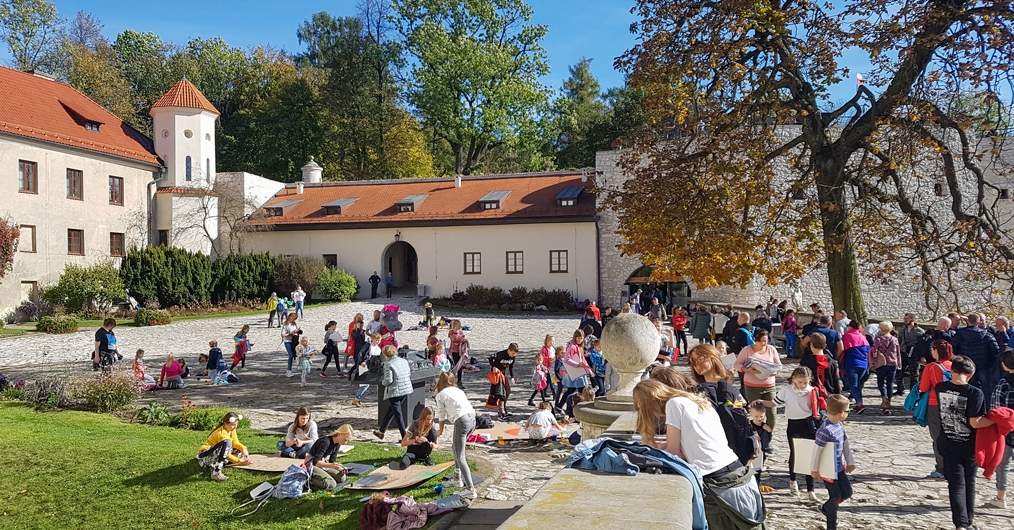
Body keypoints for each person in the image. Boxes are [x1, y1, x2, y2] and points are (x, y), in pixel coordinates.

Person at [633, 379, 766, 529]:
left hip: (714, 481)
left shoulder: (674, 405)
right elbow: (698, 442)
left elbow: (674, 454)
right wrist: (656, 445)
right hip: (735, 469)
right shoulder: (696, 400)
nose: (655, 416)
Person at [936, 355, 994, 530]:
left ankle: (963, 523)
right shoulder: (975, 393)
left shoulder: (940, 387)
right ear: (971, 374)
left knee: (956, 484)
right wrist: (995, 421)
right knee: (969, 482)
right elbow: (975, 422)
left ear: (951, 370)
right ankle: (966, 522)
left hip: (947, 442)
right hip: (969, 444)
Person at [762, 366, 819, 501]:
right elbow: (774, 403)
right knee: (795, 454)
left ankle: (811, 490)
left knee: (808, 456)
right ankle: (793, 482)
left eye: (805, 382)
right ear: (794, 379)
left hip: (807, 424)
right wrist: (760, 402)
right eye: (800, 382)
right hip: (793, 425)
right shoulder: (787, 390)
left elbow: (817, 407)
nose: (802, 385)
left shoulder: (811, 391)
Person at [811, 395, 856, 530]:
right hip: (828, 469)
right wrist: (814, 469)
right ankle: (831, 524)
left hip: (839, 468)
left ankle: (826, 508)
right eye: (848, 411)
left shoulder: (839, 425)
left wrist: (850, 461)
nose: (848, 413)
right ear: (841, 413)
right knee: (836, 496)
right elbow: (816, 450)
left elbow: (845, 443)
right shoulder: (826, 430)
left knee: (846, 493)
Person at [434, 372, 478, 500]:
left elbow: (441, 415)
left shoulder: (440, 395)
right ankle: (457, 478)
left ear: (440, 382)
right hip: (472, 420)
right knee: (456, 447)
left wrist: (440, 431)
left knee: (460, 455)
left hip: (462, 421)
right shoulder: (459, 391)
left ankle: (470, 489)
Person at [735, 328, 782, 430]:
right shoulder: (747, 350)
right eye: (761, 341)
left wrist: (774, 372)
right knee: (756, 414)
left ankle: (767, 438)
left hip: (769, 386)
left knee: (772, 415)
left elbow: (778, 365)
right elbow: (737, 364)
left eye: (766, 341)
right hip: (752, 387)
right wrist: (746, 370)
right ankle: (757, 435)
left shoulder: (771, 349)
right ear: (755, 340)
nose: (764, 343)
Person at [987, 350, 1014, 509]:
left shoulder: (1004, 383)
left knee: (1004, 464)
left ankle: (1001, 497)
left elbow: (996, 409)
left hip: (1007, 429)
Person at [953, 312, 1001, 399]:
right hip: (984, 365)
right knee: (986, 389)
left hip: (965, 365)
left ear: (968, 321)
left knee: (967, 388)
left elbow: (953, 349)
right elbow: (995, 350)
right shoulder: (987, 335)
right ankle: (986, 409)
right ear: (978, 322)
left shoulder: (959, 334)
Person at [196, 412, 250, 482]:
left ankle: (218, 463)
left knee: (238, 451)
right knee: (226, 443)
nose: (235, 427)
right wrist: (240, 462)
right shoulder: (221, 434)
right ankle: (216, 473)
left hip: (219, 452)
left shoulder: (231, 430)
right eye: (233, 425)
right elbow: (226, 453)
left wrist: (243, 449)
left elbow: (235, 442)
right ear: (225, 423)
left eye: (236, 424)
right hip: (204, 457)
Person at [374, 345, 411, 440]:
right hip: (405, 389)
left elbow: (388, 381)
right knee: (391, 411)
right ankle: (381, 431)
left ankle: (404, 436)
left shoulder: (388, 364)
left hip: (395, 391)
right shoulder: (404, 361)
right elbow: (408, 373)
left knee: (398, 415)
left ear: (385, 354)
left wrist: (381, 382)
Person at [307, 425, 355, 490]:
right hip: (311, 464)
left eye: (347, 441)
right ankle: (308, 480)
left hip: (322, 463)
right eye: (345, 440)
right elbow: (316, 462)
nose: (345, 442)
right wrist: (331, 465)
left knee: (342, 478)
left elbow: (332, 460)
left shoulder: (337, 443)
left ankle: (322, 475)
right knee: (332, 484)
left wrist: (340, 468)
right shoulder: (325, 442)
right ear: (339, 434)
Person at [870, 321, 901, 415]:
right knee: (890, 383)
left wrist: (874, 362)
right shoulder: (895, 339)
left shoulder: (878, 339)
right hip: (892, 363)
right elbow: (898, 353)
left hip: (881, 364)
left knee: (881, 383)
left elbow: (874, 352)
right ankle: (889, 400)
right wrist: (899, 364)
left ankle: (884, 398)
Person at [557, 331, 591, 414]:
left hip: (578, 373)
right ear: (575, 337)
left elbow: (583, 360)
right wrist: (577, 365)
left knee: (573, 390)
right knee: (580, 390)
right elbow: (566, 359)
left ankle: (560, 406)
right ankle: (585, 407)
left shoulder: (579, 347)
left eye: (581, 338)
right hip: (574, 373)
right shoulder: (572, 347)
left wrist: (589, 370)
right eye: (578, 338)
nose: (580, 340)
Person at [800, 333, 842, 398]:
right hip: (829, 396)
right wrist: (838, 396)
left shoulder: (805, 361)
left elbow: (800, 377)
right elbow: (836, 381)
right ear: (825, 346)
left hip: (811, 396)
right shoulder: (832, 362)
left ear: (812, 345)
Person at [841, 320, 870, 413]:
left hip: (852, 364)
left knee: (853, 385)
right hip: (864, 365)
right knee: (857, 385)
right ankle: (858, 403)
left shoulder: (847, 336)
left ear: (850, 327)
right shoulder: (863, 337)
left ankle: (860, 404)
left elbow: (842, 349)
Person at [897, 313, 926, 395]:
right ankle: (900, 389)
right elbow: (899, 341)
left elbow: (922, 345)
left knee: (914, 374)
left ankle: (913, 392)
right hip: (903, 353)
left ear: (912, 319)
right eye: (904, 318)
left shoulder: (920, 331)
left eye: (907, 318)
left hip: (914, 355)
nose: (905, 320)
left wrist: (921, 355)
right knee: (900, 372)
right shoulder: (902, 331)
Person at [488, 343, 519, 420]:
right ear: (509, 350)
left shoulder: (513, 357)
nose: (513, 355)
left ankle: (503, 409)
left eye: (515, 354)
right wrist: (494, 366)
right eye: (512, 353)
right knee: (501, 393)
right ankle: (501, 413)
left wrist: (512, 377)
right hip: (497, 374)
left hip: (503, 374)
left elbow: (511, 367)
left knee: (508, 391)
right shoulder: (501, 354)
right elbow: (490, 358)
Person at [352, 332, 382, 407]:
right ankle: (356, 399)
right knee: (365, 384)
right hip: (365, 366)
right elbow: (361, 354)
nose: (378, 342)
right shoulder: (368, 346)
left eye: (379, 340)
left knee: (379, 383)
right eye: (376, 340)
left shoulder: (378, 348)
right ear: (373, 339)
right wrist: (362, 361)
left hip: (375, 367)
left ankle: (380, 400)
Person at [529, 335, 558, 406]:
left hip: (552, 368)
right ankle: (544, 400)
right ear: (547, 341)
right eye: (551, 341)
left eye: (553, 341)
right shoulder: (544, 349)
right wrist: (549, 359)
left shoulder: (554, 348)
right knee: (543, 386)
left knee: (552, 382)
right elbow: (544, 358)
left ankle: (554, 395)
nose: (552, 343)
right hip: (543, 374)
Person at [281, 313, 302, 378]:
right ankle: (289, 370)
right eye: (294, 318)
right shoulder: (285, 324)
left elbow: (295, 330)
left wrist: (297, 332)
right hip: (287, 341)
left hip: (294, 341)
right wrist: (290, 334)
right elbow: (282, 334)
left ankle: (294, 368)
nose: (295, 320)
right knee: (291, 355)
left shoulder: (294, 324)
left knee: (298, 353)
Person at [448, 319, 467, 387]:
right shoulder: (451, 332)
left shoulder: (461, 332)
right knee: (456, 365)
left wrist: (464, 341)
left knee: (460, 366)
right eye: (458, 325)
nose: (459, 326)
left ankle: (459, 381)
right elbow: (453, 340)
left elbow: (463, 337)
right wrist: (454, 333)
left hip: (460, 351)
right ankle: (452, 380)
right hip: (454, 351)